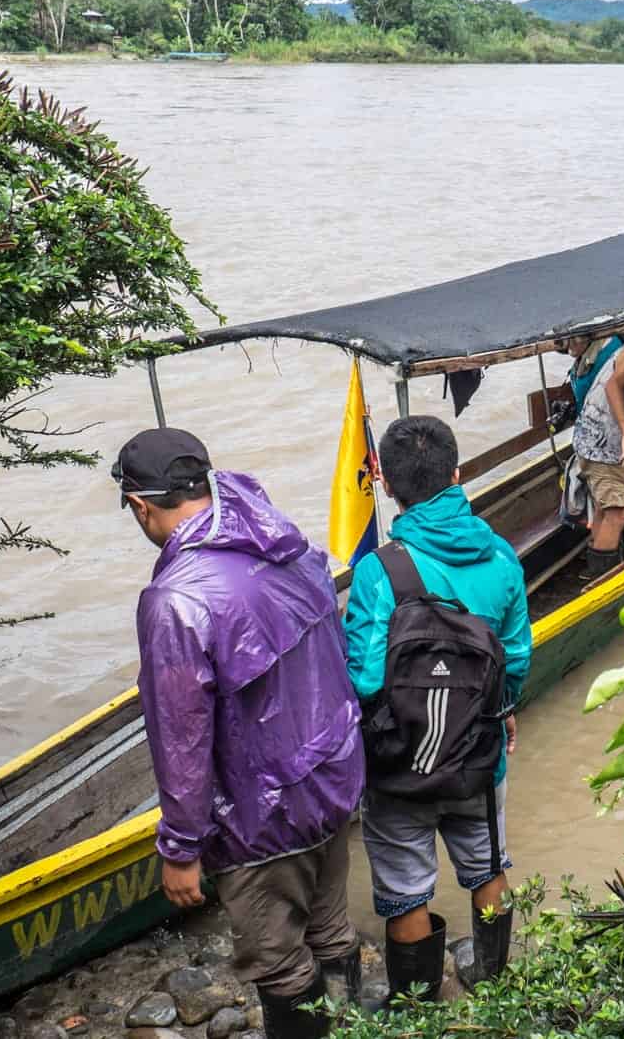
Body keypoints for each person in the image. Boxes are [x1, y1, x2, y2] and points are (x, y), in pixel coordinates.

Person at [116, 428, 364, 1039]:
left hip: (263, 816)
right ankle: (358, 1026)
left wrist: (180, 846)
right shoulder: (282, 541)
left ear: (140, 506)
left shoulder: (175, 600)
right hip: (331, 778)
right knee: (330, 927)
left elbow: (181, 738)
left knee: (277, 959)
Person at [343, 415, 532, 1005]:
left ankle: (418, 1006)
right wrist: (500, 713)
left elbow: (367, 678)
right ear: (456, 474)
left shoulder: (380, 569)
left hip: (402, 767)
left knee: (406, 891)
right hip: (479, 755)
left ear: (390, 486)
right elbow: (518, 658)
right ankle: (493, 983)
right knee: (487, 866)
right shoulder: (501, 556)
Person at [570, 336, 624, 574]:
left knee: (604, 507)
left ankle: (594, 564)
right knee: (617, 513)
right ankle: (602, 578)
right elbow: (612, 386)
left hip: (592, 438)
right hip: (603, 442)